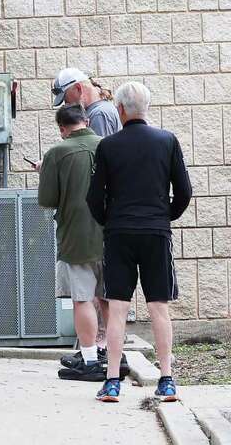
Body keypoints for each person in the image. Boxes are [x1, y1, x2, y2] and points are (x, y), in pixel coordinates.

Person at [87, 81, 192, 403]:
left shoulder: (108, 146)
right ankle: (166, 380)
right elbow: (184, 192)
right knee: (159, 307)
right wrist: (163, 217)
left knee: (117, 308)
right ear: (146, 107)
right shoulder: (167, 141)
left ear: (119, 110)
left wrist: (111, 221)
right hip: (155, 233)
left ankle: (113, 382)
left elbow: (94, 197)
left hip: (119, 233)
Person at [38, 104, 126, 382]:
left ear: (61, 128)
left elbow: (47, 200)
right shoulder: (110, 146)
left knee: (82, 299)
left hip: (76, 236)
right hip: (113, 234)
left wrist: (45, 171)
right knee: (109, 298)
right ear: (86, 120)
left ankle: (89, 360)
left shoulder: (56, 153)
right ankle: (114, 356)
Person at [52, 68, 121, 137]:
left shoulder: (98, 114)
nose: (66, 103)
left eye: (65, 98)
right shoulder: (100, 110)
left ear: (78, 88)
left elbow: (100, 147)